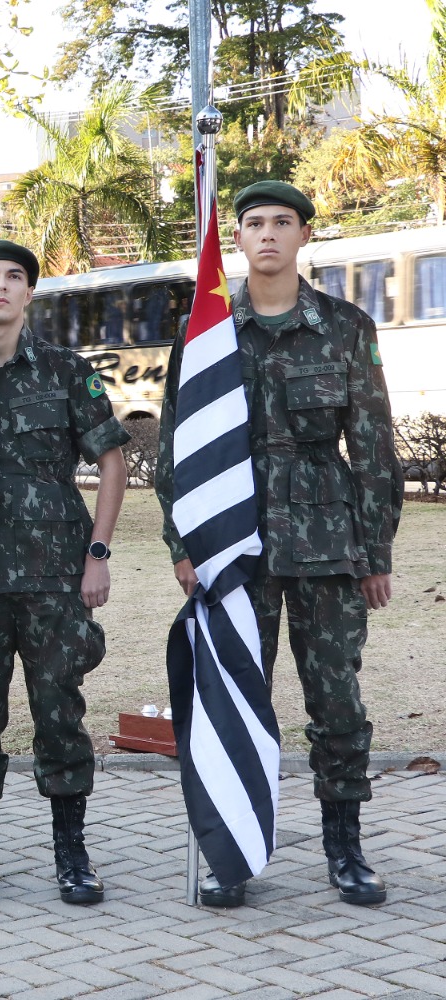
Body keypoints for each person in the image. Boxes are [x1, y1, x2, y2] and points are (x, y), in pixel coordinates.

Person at [157, 181, 403, 908]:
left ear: (302, 238)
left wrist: (377, 553)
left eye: (282, 223)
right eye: (254, 223)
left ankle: (345, 849)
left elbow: (374, 448)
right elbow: (177, 449)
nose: (267, 233)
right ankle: (232, 854)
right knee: (234, 695)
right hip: (233, 547)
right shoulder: (206, 334)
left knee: (336, 701)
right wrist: (183, 543)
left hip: (328, 545)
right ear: (236, 239)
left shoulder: (346, 328)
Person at [0, 241, 129, 906]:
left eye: (15, 277)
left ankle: (72, 855)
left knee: (60, 718)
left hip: (53, 581)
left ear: (30, 294)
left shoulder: (66, 370)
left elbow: (113, 462)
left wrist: (97, 554)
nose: (1, 287)